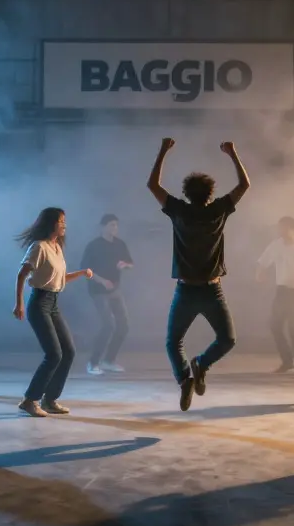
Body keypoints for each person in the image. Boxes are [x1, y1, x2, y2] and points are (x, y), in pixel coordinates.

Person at [147, 137, 249, 412]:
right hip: (212, 290)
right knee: (227, 340)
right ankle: (201, 365)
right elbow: (244, 185)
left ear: (187, 193)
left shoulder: (178, 210)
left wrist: (163, 150)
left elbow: (153, 185)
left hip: (186, 289)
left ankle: (187, 377)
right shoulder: (218, 210)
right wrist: (233, 153)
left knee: (173, 342)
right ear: (210, 194)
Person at [14, 207, 93, 418]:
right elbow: (22, 274)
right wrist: (19, 304)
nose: (64, 225)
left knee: (69, 351)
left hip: (53, 304)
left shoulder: (56, 247)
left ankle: (49, 400)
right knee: (54, 354)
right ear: (51, 223)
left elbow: (59, 279)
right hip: (39, 303)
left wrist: (81, 273)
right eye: (61, 221)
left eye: (65, 221)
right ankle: (30, 400)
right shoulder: (39, 247)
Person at [257, 216, 294, 378]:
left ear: (291, 228)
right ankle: (287, 361)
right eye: (279, 228)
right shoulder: (276, 245)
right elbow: (263, 261)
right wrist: (259, 273)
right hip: (282, 291)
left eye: (283, 228)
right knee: (275, 325)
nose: (280, 231)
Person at [81, 214, 134, 375]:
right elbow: (85, 270)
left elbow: (130, 263)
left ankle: (109, 361)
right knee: (108, 325)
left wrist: (125, 265)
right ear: (103, 226)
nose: (115, 228)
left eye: (116, 225)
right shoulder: (94, 245)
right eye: (111, 225)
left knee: (123, 326)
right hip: (98, 291)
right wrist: (102, 281)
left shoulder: (120, 244)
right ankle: (93, 363)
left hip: (115, 290)